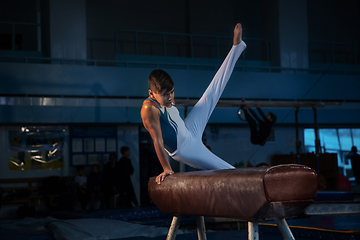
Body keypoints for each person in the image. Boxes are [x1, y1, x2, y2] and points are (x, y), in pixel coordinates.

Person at [141, 23, 246, 184]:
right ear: (151, 94)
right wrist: (166, 168)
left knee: (211, 93)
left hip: (189, 129)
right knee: (225, 169)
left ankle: (236, 47)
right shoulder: (149, 108)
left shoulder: (166, 98)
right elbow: (157, 141)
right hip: (185, 148)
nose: (170, 97)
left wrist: (168, 98)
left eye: (172, 92)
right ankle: (250, 183)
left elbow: (172, 113)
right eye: (165, 95)